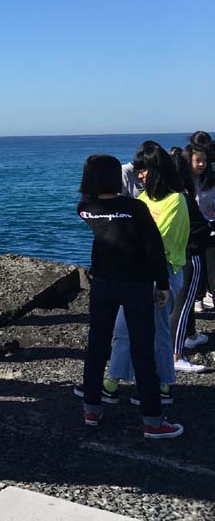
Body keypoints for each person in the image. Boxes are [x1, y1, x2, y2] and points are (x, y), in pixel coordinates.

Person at [75, 154, 182, 438]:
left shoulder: (85, 207)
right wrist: (163, 284)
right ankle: (153, 420)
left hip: (102, 284)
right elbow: (153, 247)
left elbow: (96, 205)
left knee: (97, 346)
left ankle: (91, 409)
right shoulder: (135, 207)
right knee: (142, 350)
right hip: (136, 285)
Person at [106, 144, 189, 396]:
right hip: (136, 272)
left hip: (163, 271)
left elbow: (157, 239)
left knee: (158, 330)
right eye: (139, 171)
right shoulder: (143, 199)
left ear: (157, 170)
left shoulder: (176, 200)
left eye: (145, 170)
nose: (141, 176)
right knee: (122, 328)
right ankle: (114, 378)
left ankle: (163, 381)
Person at [168, 150, 210, 367]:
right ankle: (175, 355)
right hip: (189, 254)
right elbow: (199, 227)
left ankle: (191, 335)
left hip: (171, 256)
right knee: (183, 305)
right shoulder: (182, 197)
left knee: (182, 300)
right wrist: (209, 227)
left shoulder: (161, 196)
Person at [186, 143, 215, 311]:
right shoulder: (184, 182)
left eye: (204, 160)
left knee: (211, 267)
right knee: (197, 266)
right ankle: (197, 297)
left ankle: (208, 295)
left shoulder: (211, 180)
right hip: (193, 229)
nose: (201, 164)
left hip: (211, 227)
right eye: (197, 160)